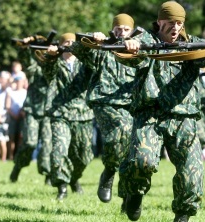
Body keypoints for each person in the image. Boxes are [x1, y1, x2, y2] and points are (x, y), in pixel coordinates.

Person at [118, 1, 205, 221]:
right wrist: (130, 47)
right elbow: (130, 57)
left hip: (184, 116)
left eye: (180, 23)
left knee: (192, 171)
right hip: (150, 114)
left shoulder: (193, 44)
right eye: (171, 22)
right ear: (160, 21)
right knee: (142, 162)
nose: (176, 27)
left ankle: (183, 214)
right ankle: (134, 193)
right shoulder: (146, 41)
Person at [70, 13, 137, 209]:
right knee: (122, 130)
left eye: (126, 29)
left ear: (132, 31)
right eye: (118, 29)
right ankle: (108, 171)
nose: (122, 32)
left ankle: (126, 197)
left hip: (131, 105)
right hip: (105, 102)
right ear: (113, 28)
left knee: (131, 152)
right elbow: (76, 48)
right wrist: (92, 38)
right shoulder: (102, 48)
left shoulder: (138, 49)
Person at [41, 33, 94, 200]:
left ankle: (74, 178)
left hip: (83, 113)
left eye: (73, 42)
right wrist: (50, 57)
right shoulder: (55, 62)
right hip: (60, 113)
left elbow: (95, 66)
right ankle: (61, 186)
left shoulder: (84, 63)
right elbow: (48, 73)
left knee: (84, 156)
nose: (70, 44)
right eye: (67, 42)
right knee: (59, 150)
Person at [10, 35, 53, 185]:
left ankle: (48, 174)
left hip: (49, 111)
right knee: (29, 143)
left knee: (48, 145)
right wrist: (24, 47)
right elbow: (25, 62)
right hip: (33, 110)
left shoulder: (54, 63)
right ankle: (18, 166)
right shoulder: (34, 67)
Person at [5, 72, 27, 160]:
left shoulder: (25, 92)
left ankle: (18, 155)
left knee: (21, 137)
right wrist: (14, 115)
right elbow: (8, 106)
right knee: (12, 136)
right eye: (17, 81)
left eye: (20, 81)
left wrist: (21, 112)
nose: (18, 83)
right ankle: (10, 155)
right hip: (13, 117)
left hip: (22, 116)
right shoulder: (11, 92)